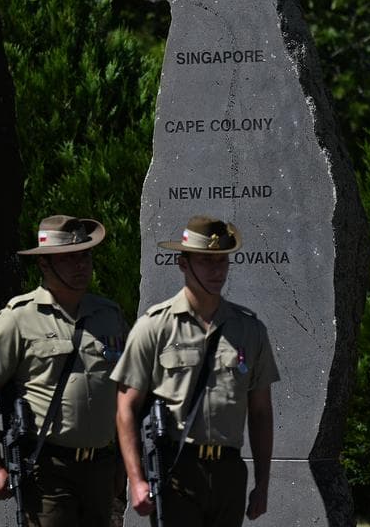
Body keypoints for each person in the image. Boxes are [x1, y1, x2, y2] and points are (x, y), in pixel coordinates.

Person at [114, 215, 278, 525]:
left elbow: (260, 413)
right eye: (205, 261)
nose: (217, 270)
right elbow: (125, 407)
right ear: (183, 263)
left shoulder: (250, 330)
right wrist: (136, 480)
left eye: (222, 260)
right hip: (178, 470)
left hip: (229, 471)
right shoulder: (154, 327)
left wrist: (263, 484)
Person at [0, 214, 128, 526]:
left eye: (85, 255)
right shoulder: (18, 318)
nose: (81, 265)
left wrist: (125, 463)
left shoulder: (108, 315)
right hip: (48, 471)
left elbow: (126, 389)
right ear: (44, 264)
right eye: (69, 258)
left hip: (101, 468)